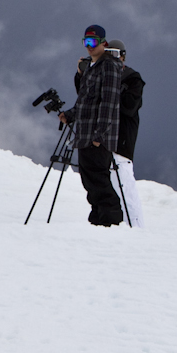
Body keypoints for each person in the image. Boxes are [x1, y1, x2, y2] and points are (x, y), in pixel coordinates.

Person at [59, 24, 124, 226]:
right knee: (89, 180)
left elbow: (109, 102)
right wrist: (69, 115)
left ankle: (111, 221)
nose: (89, 46)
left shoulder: (109, 66)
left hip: (97, 137)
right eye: (85, 42)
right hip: (85, 135)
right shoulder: (92, 68)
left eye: (93, 42)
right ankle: (98, 220)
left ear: (103, 43)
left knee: (98, 179)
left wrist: (99, 135)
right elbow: (85, 101)